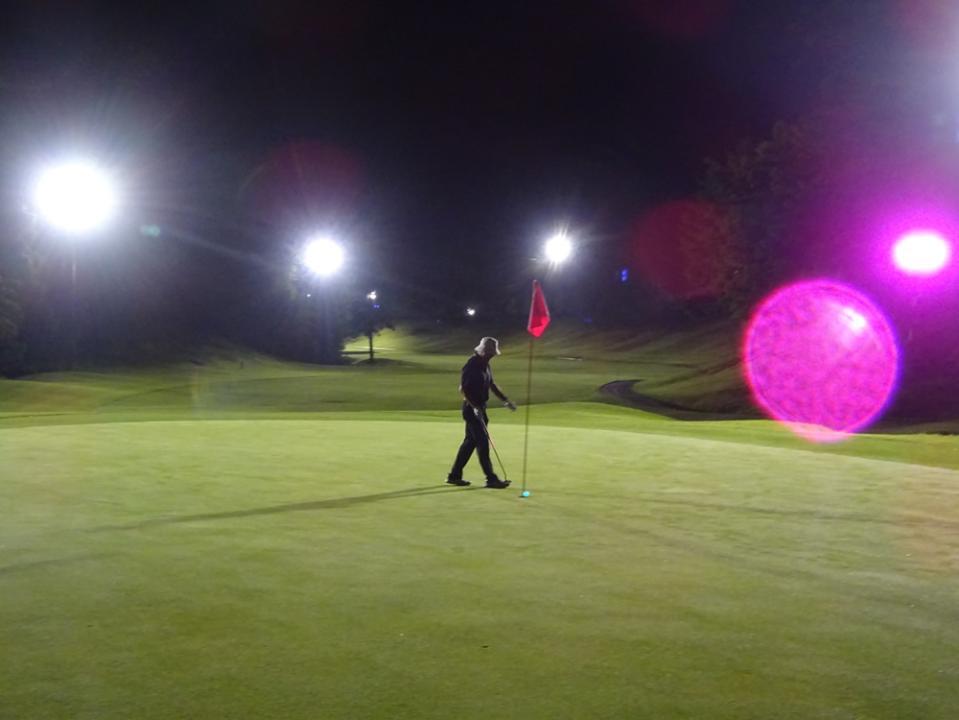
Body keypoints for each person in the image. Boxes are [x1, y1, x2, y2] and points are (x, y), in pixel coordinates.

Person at [447, 336, 517, 488]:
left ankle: (454, 475)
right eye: (490, 353)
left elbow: (491, 384)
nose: (492, 356)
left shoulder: (486, 365)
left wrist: (505, 400)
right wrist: (474, 407)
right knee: (482, 443)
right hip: (471, 409)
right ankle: (491, 478)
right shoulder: (471, 365)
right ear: (484, 351)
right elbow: (464, 389)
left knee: (469, 443)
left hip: (481, 408)